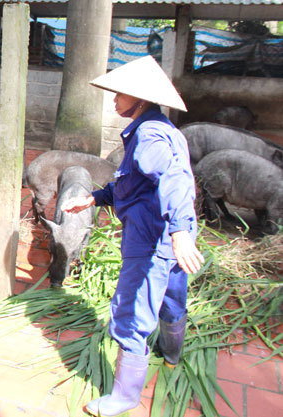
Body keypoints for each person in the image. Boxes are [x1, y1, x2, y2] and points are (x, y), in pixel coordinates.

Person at [61, 55, 205, 417]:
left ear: (140, 101)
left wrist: (180, 231)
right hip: (168, 237)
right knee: (172, 298)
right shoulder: (160, 129)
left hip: (153, 239)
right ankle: (171, 355)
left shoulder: (149, 136)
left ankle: (124, 396)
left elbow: (175, 179)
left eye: (120, 96)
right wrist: (94, 198)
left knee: (131, 313)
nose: (114, 102)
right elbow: (134, 185)